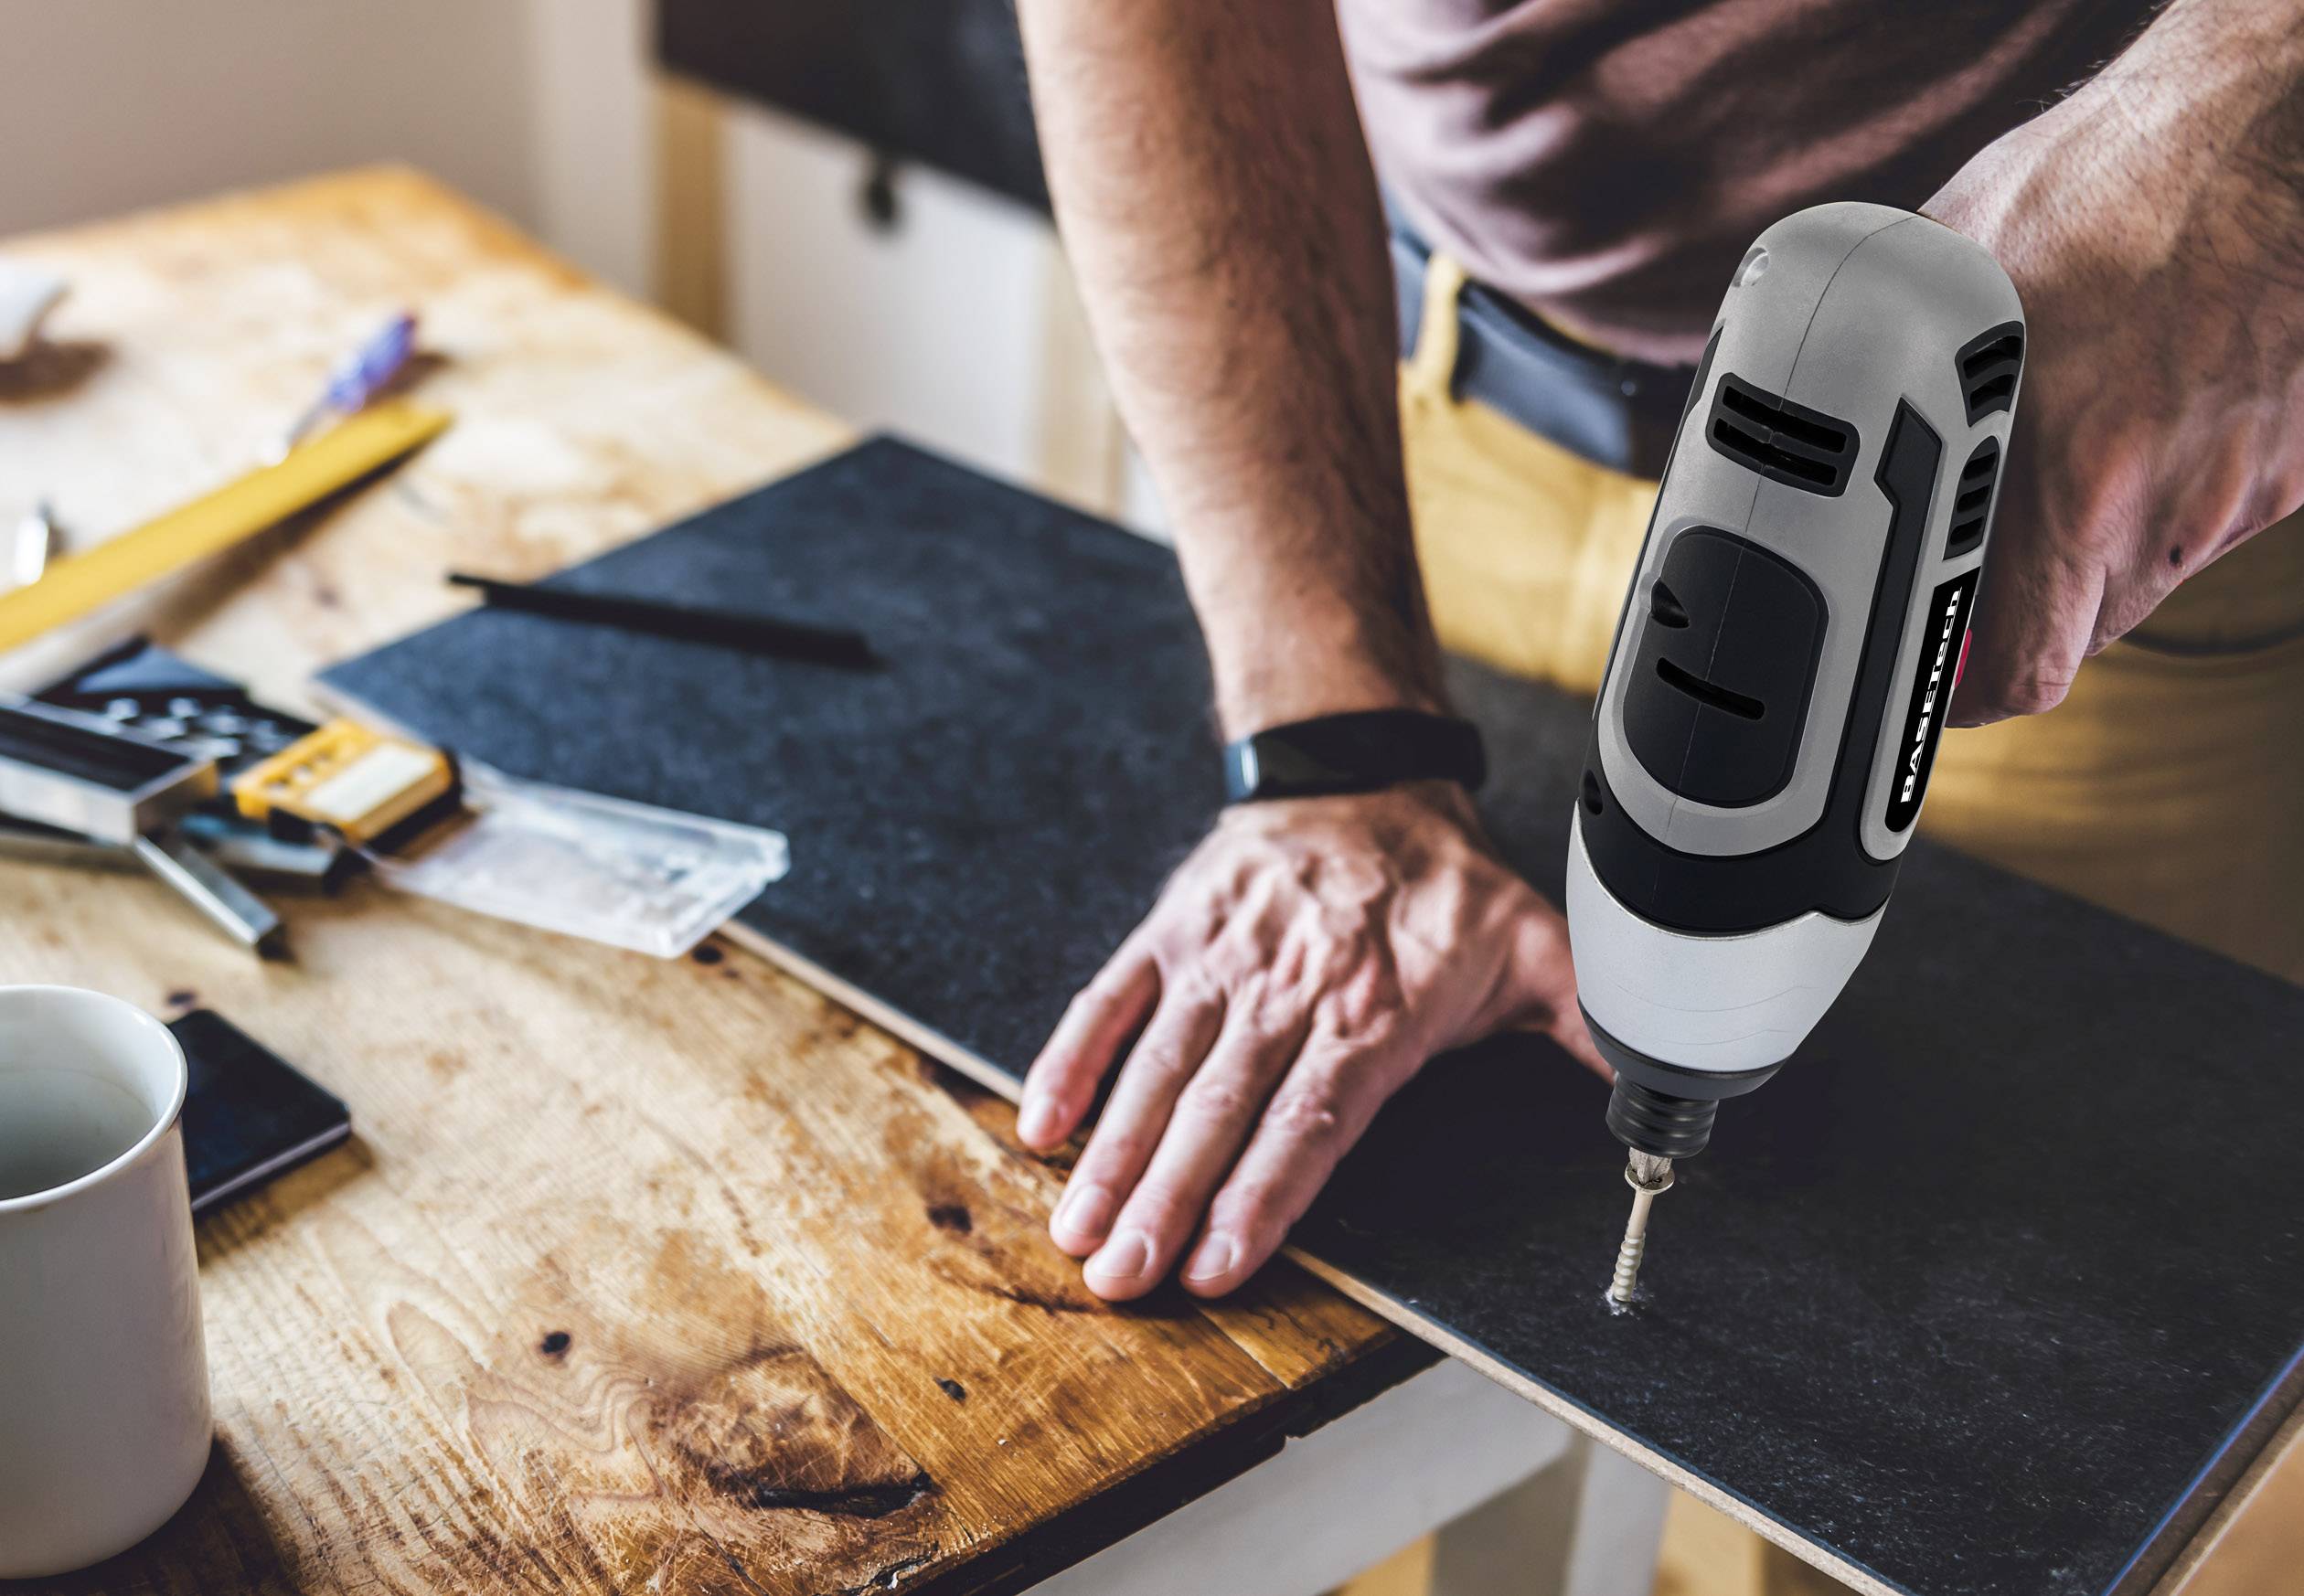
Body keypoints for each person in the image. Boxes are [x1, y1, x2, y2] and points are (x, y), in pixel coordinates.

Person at [1007, 0, 2304, 1303]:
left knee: (2059, 1319)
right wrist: (1336, 743)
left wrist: (2244, 126)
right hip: (1412, 420)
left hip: (2103, 475)